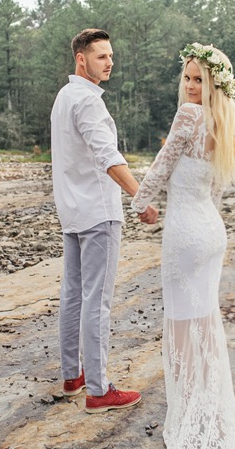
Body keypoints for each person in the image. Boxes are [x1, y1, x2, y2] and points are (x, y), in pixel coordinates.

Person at [130, 43, 235, 449]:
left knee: (184, 328)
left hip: (185, 234)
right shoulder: (226, 122)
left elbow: (162, 166)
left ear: (212, 85)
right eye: (186, 77)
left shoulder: (189, 116)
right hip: (211, 233)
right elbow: (217, 190)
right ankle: (204, 410)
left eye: (198, 79)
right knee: (205, 323)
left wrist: (137, 205)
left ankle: (190, 419)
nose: (189, 86)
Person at [50, 28, 158, 414]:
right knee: (97, 300)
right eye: (101, 56)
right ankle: (98, 389)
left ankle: (72, 376)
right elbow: (108, 156)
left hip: (72, 210)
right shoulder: (87, 102)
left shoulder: (65, 97)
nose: (109, 62)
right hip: (97, 212)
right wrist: (140, 197)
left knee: (74, 295)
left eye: (111, 56)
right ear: (81, 58)